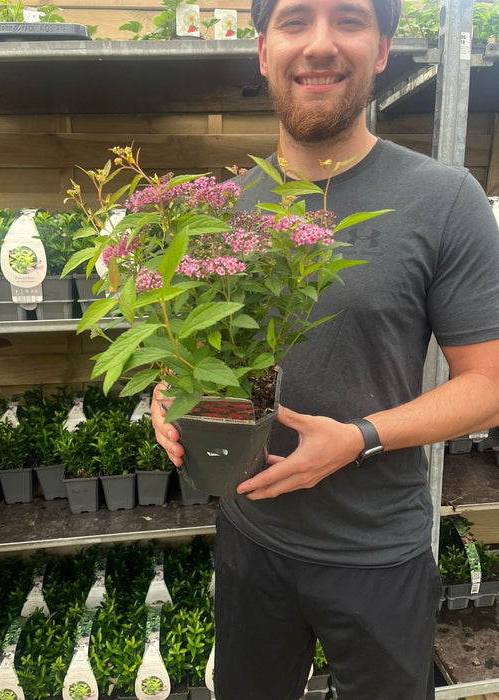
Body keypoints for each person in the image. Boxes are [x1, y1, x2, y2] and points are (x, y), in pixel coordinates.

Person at [151, 1, 499, 698]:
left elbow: (487, 380)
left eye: (346, 19)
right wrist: (170, 393)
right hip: (251, 538)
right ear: (261, 50)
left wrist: (360, 438)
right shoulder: (222, 209)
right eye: (293, 20)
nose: (318, 44)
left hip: (377, 552)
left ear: (379, 49)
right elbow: (200, 347)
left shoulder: (443, 198)